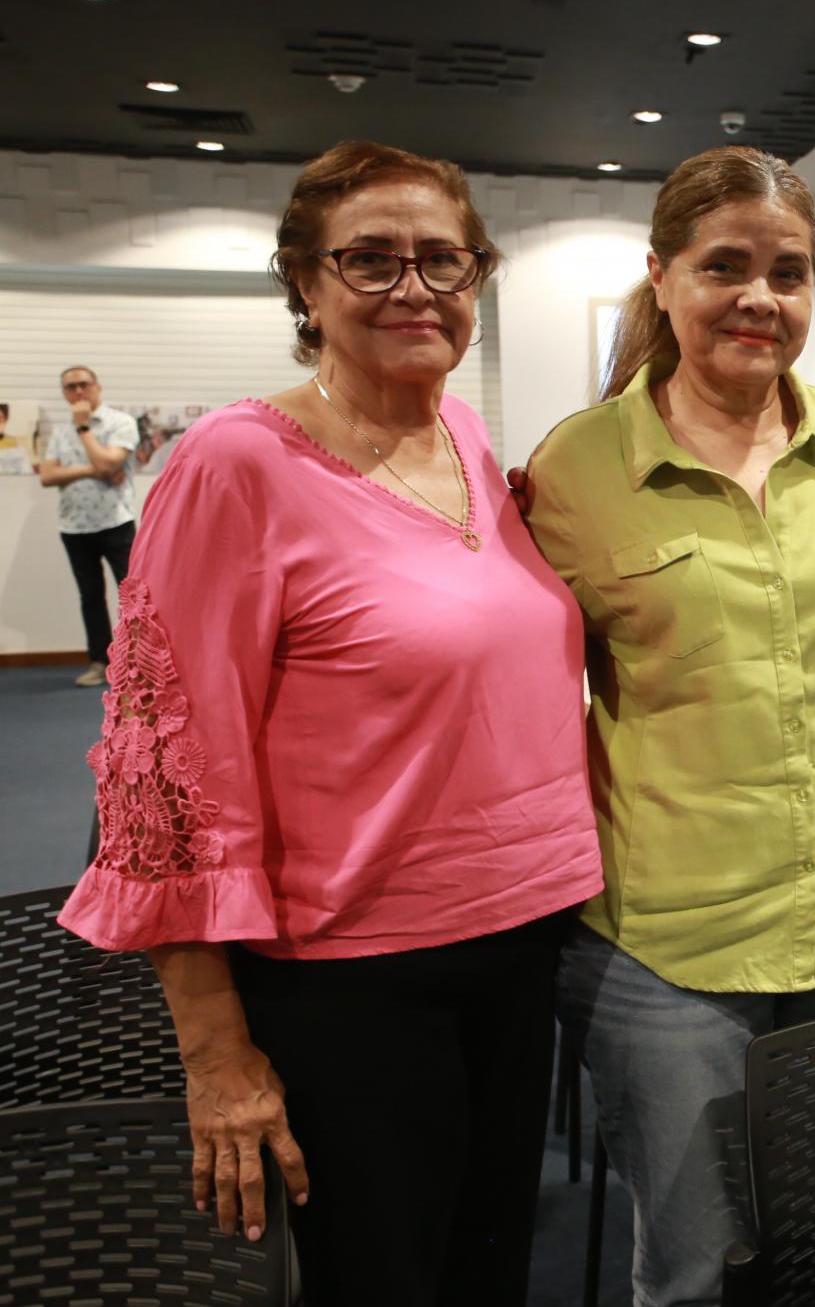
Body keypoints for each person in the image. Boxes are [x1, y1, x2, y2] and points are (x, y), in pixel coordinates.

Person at [57, 140, 603, 1306]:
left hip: (514, 948)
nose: (415, 288)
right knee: (382, 1280)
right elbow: (164, 768)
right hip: (352, 974)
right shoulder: (234, 465)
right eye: (371, 260)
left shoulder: (460, 435)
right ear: (304, 285)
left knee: (488, 1265)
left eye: (444, 261)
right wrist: (215, 1051)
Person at [521, 146, 815, 1307]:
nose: (759, 296)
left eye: (787, 272)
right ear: (662, 277)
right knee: (694, 1266)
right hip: (664, 946)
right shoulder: (576, 468)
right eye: (725, 267)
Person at [36, 366, 140, 687]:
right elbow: (48, 476)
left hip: (115, 523)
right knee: (90, 596)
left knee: (134, 596)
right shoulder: (59, 432)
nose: (78, 392)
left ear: (97, 388)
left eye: (84, 385)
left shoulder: (121, 422)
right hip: (74, 527)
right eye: (71, 387)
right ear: (65, 393)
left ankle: (139, 664)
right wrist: (93, 469)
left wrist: (84, 431)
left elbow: (109, 462)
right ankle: (100, 661)